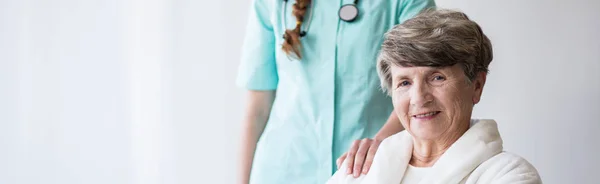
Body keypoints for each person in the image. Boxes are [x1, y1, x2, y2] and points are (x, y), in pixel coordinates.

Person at [327, 9, 543, 184]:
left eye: (437, 77)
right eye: (404, 82)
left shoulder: (509, 175)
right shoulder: (360, 170)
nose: (419, 98)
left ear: (476, 85)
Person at [236, 0, 435, 183]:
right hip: (282, 170)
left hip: (368, 170)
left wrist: (378, 144)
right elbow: (257, 108)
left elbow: (422, 88)